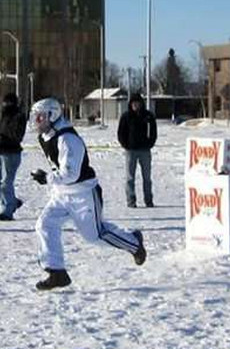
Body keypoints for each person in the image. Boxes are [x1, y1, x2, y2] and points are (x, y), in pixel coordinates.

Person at [28, 98, 146, 290]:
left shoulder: (68, 139)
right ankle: (56, 272)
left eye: (40, 116)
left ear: (52, 115)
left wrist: (48, 178)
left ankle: (133, 242)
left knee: (95, 236)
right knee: (45, 224)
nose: (36, 121)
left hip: (83, 192)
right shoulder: (45, 136)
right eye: (35, 117)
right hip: (61, 193)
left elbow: (72, 174)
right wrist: (51, 179)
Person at [0, 93, 27, 221]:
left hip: (11, 153)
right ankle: (13, 202)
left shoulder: (19, 116)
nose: (5, 105)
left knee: (6, 183)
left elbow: (17, 135)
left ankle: (8, 210)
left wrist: (2, 136)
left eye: (8, 103)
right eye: (4, 103)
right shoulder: (1, 116)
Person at [117, 92, 158, 208]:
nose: (135, 105)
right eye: (133, 103)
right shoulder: (126, 117)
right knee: (130, 177)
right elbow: (121, 133)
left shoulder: (148, 116)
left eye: (137, 103)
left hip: (145, 151)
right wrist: (126, 145)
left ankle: (148, 200)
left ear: (141, 103)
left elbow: (153, 132)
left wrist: (150, 143)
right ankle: (131, 200)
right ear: (130, 104)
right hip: (131, 151)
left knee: (147, 178)